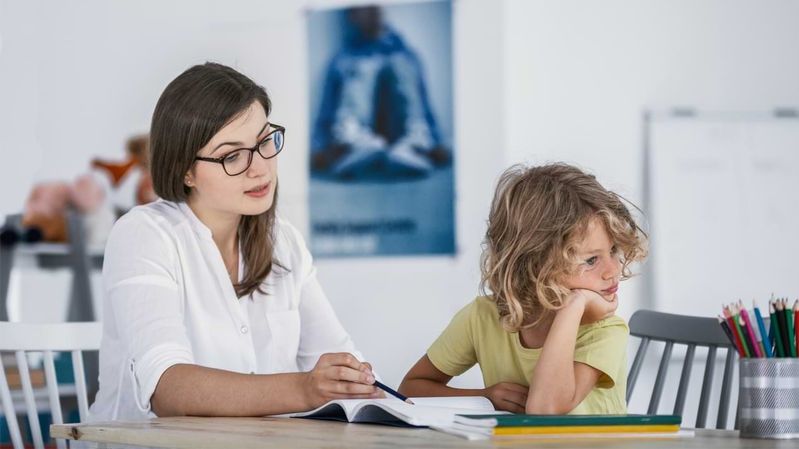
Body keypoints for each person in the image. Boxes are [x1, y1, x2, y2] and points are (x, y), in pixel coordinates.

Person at [90, 62, 381, 421]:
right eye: (232, 155)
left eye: (263, 143)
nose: (259, 168)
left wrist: (352, 380)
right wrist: (305, 388)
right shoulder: (144, 235)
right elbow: (167, 387)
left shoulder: (282, 240)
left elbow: (336, 355)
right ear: (186, 170)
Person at [398, 163, 648, 414]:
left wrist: (574, 305)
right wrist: (484, 397)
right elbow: (411, 387)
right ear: (535, 263)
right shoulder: (482, 317)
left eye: (614, 250)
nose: (612, 270)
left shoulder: (605, 330)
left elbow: (546, 410)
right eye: (591, 260)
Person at [310, 6, 450, 180]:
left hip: (398, 134)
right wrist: (318, 147)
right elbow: (328, 106)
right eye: (364, 7)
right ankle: (352, 144)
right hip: (363, 137)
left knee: (400, 64)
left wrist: (438, 142)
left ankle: (414, 145)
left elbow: (423, 103)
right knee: (362, 66)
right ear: (352, 16)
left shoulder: (406, 55)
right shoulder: (344, 58)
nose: (374, 9)